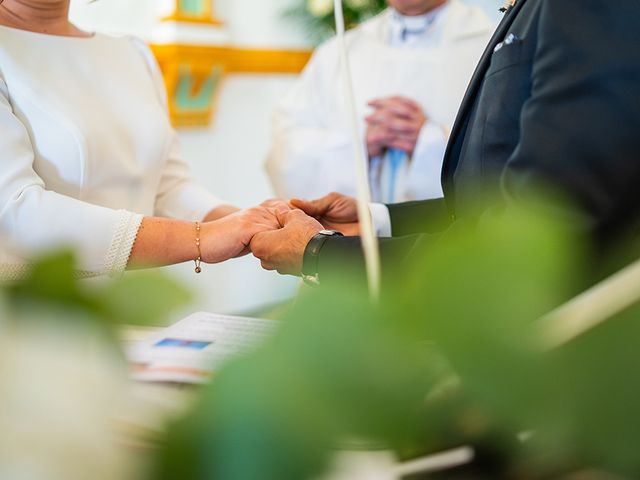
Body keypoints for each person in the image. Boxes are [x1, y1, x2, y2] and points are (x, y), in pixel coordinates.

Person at [251, 0, 640, 283]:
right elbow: (286, 149)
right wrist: (360, 165)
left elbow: (540, 208)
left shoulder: (489, 30)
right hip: (416, 266)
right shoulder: (338, 53)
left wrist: (427, 141)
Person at [0, 0, 280, 280]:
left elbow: (168, 186)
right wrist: (203, 237)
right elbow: (15, 210)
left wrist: (256, 223)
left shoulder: (132, 52)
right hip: (40, 305)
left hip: (139, 300)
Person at [266, 0, 494, 204]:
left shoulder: (494, 46)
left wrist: (432, 141)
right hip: (353, 245)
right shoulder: (338, 53)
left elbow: (513, 151)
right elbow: (286, 151)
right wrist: (356, 146)